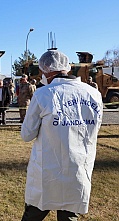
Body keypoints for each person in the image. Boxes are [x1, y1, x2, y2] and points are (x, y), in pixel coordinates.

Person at [20, 50, 103, 221]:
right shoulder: (93, 94)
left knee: (34, 214)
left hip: (48, 172)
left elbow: (27, 134)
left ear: (47, 70)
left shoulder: (43, 94)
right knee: (70, 214)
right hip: (78, 169)